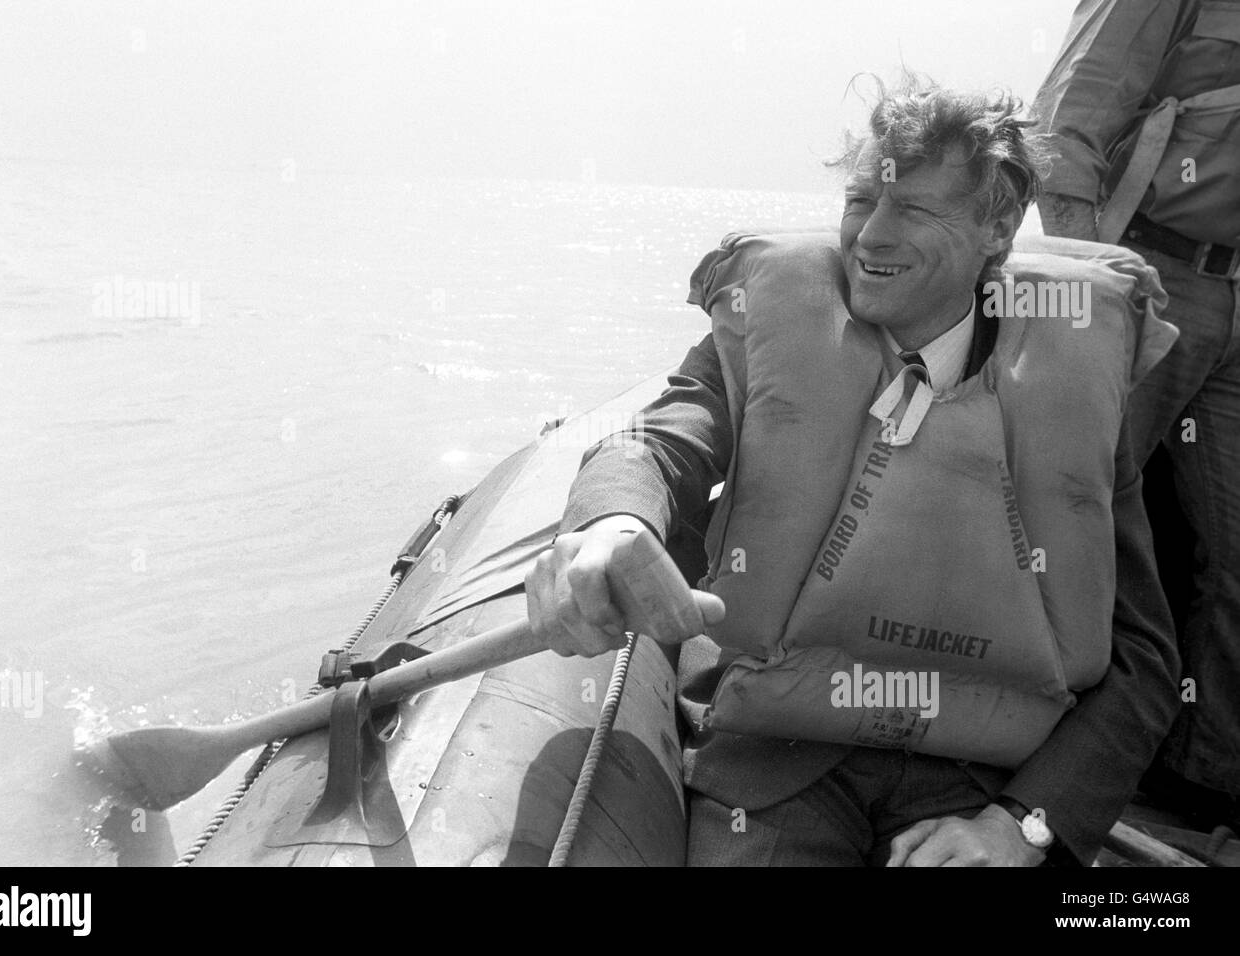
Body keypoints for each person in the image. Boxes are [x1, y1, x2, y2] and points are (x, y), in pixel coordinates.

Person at [525, 79, 1181, 866]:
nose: (871, 235)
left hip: (980, 787)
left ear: (998, 227)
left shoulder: (1073, 386)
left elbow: (1144, 660)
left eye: (914, 210)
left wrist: (1020, 827)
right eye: (861, 200)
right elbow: (660, 438)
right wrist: (612, 524)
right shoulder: (772, 334)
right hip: (778, 770)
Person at [1035, 0, 1240, 830]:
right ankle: (1021, 749)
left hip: (1234, 296)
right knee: (1073, 514)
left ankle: (1201, 778)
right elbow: (1061, 131)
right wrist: (1095, 282)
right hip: (1146, 270)